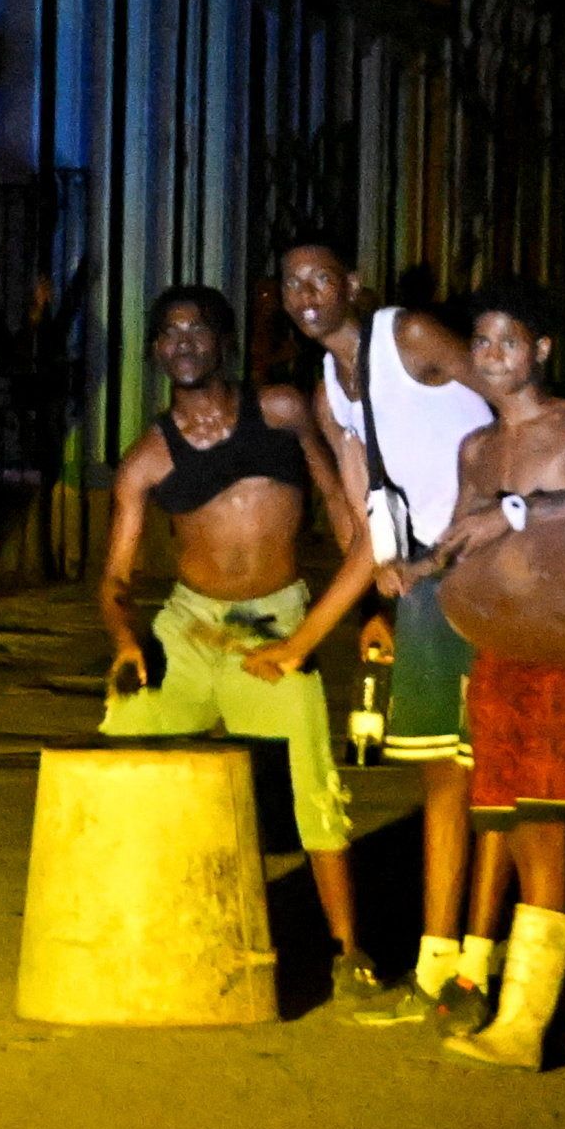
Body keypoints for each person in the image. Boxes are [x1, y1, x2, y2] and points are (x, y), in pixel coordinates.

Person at [94, 282, 388, 1016]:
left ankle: (349, 949)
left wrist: (367, 611)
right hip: (190, 626)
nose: (183, 343)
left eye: (197, 330)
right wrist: (127, 640)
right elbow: (116, 580)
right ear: (156, 350)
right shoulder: (146, 460)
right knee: (121, 753)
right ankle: (121, 929)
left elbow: (338, 506)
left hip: (275, 620)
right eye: (169, 332)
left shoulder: (281, 410)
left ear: (222, 342)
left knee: (312, 782)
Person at [420, 282, 565, 1071]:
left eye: (509, 340)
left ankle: (528, 1027)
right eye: (481, 341)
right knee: (506, 820)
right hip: (494, 649)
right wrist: (424, 561)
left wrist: (519, 510)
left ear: (541, 349)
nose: (492, 355)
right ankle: (541, 1017)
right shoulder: (476, 446)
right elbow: (465, 531)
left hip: (562, 649)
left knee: (549, 828)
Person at [288, 241, 493, 1024]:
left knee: (516, 773)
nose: (306, 292)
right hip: (426, 579)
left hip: (494, 563)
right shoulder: (331, 387)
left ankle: (534, 951)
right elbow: (356, 501)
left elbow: (511, 401)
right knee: (442, 769)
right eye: (292, 282)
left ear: (353, 285)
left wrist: (499, 506)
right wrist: (380, 584)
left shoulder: (408, 337)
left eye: (320, 277)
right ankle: (441, 963)